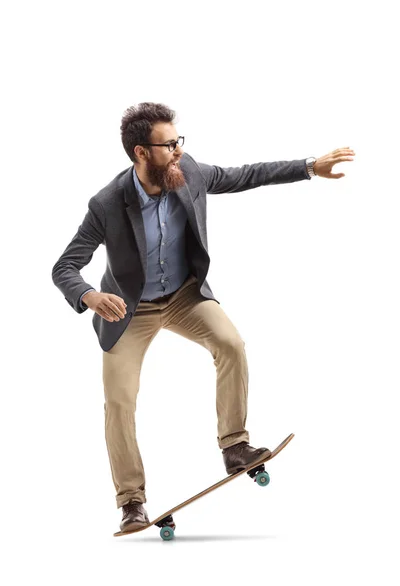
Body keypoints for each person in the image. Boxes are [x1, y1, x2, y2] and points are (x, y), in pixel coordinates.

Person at [51, 102, 355, 532]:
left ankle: (235, 446)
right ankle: (131, 501)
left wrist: (309, 166)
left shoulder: (188, 172)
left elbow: (246, 174)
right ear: (141, 152)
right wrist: (90, 296)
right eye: (168, 144)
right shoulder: (107, 204)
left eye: (179, 141)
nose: (178, 150)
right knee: (119, 401)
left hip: (183, 297)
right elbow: (64, 266)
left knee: (230, 343)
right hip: (129, 310)